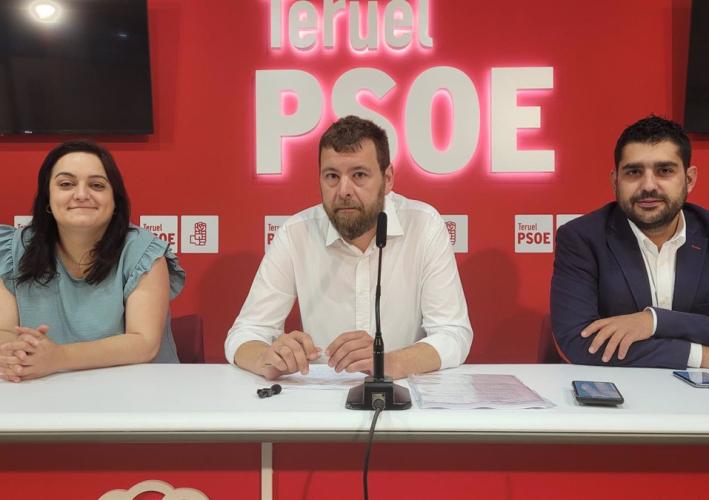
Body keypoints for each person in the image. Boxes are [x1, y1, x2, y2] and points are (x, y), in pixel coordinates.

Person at [226, 115, 472, 380]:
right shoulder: (296, 233)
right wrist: (267, 357)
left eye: (359, 175)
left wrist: (390, 362)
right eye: (332, 176)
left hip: (402, 394)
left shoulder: (424, 225)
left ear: (388, 179)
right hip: (320, 396)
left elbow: (453, 333)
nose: (344, 190)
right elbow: (246, 332)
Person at [551, 115, 709, 369]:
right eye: (634, 172)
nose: (648, 186)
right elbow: (579, 342)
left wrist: (654, 321)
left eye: (664, 171)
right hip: (622, 391)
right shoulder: (581, 238)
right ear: (615, 181)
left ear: (689, 179)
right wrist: (703, 357)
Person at [0, 140, 185, 382]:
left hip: (136, 389)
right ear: (47, 198)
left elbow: (144, 344)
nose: (81, 195)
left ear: (115, 200)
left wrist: (58, 357)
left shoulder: (143, 251)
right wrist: (16, 353)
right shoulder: (13, 250)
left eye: (96, 185)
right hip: (42, 387)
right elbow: (4, 331)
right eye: (66, 184)